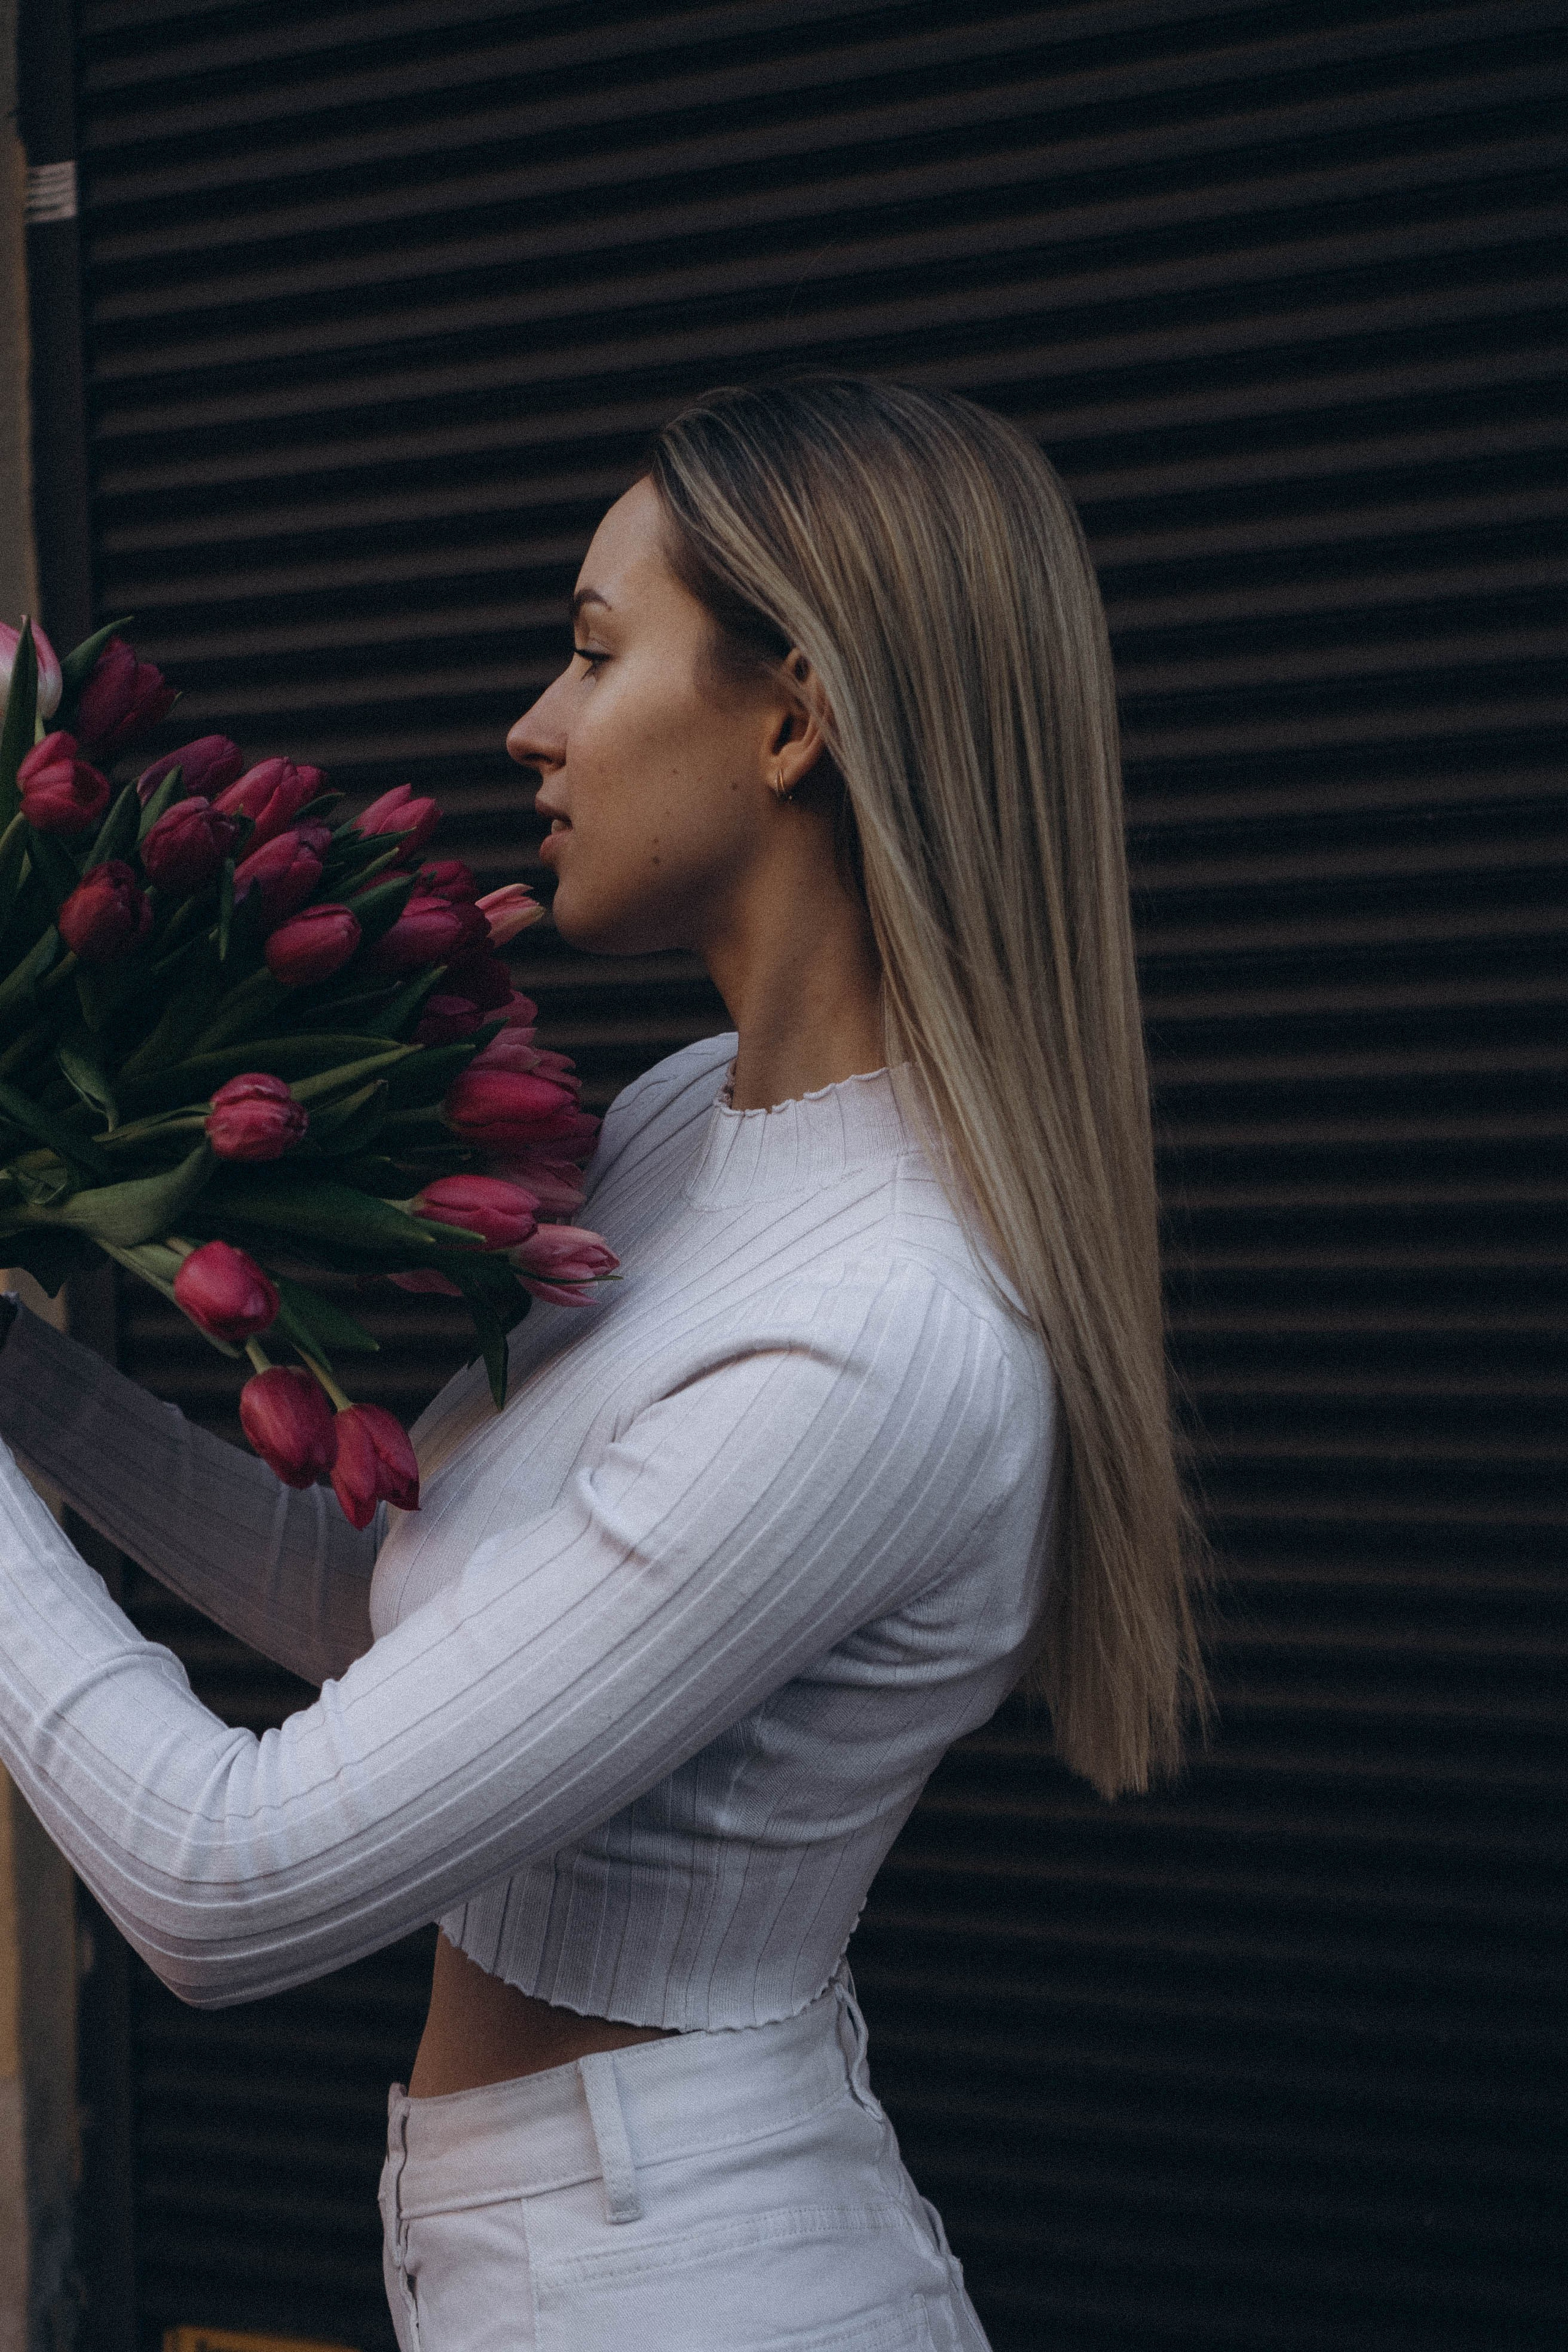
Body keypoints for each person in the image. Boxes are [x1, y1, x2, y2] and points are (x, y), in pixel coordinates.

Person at [0, 379, 1205, 2351]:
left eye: (591, 650)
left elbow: (223, 1889)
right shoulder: (677, 1129)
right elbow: (390, 1609)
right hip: (540, 2250)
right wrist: (22, 1381)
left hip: (692, 2286)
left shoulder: (878, 1335)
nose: (530, 727)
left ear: (794, 717)